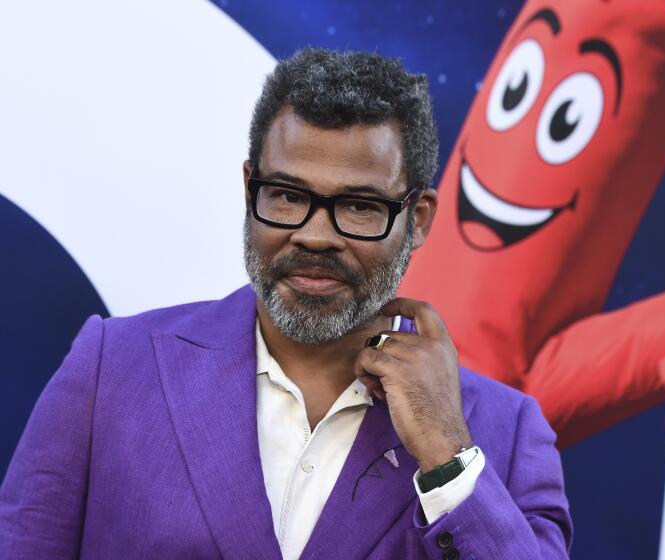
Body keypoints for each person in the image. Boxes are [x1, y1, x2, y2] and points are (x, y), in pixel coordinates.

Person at [0, 48, 572, 559]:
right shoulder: (112, 367)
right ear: (250, 188)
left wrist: (446, 451)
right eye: (289, 195)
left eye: (359, 207)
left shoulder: (506, 433)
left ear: (417, 219)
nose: (316, 236)